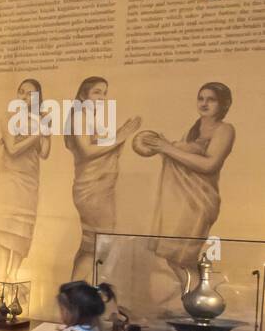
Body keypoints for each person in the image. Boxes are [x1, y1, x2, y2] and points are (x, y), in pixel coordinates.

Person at [144, 82, 235, 285]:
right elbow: (182, 159)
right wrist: (163, 147)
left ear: (224, 104)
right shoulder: (194, 128)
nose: (204, 103)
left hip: (199, 201)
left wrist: (168, 148)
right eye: (201, 98)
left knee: (183, 258)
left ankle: (199, 302)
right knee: (174, 258)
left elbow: (209, 165)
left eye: (210, 99)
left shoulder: (225, 129)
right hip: (179, 202)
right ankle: (194, 302)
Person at [63, 77, 141, 281]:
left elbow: (104, 148)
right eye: (97, 92)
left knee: (94, 244)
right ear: (83, 95)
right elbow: (87, 151)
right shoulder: (78, 116)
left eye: (104, 93)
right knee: (97, 244)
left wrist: (120, 135)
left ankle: (78, 293)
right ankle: (77, 293)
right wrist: (122, 135)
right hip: (91, 188)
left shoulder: (90, 118)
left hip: (102, 187)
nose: (102, 98)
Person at [0, 79, 50, 283]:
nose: (24, 97)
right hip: (11, 178)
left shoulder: (39, 120)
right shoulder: (7, 118)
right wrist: (38, 133)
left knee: (23, 229)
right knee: (8, 226)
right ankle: (1, 274)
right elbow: (13, 149)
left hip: (30, 180)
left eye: (30, 94)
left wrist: (46, 133)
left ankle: (13, 274)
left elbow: (44, 153)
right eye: (21, 92)